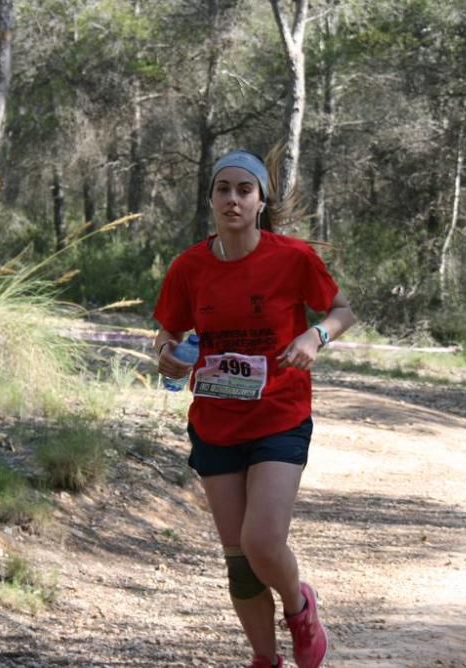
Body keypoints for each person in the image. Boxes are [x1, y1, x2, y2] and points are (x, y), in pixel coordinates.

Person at [152, 147, 355, 668]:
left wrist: (315, 336)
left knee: (262, 542)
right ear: (212, 198)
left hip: (279, 416)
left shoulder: (291, 258)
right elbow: (168, 332)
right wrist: (168, 358)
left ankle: (299, 607)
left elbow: (341, 310)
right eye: (224, 189)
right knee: (240, 564)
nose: (233, 199)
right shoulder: (189, 267)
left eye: (245, 190)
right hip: (215, 424)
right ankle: (265, 659)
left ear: (260, 201)